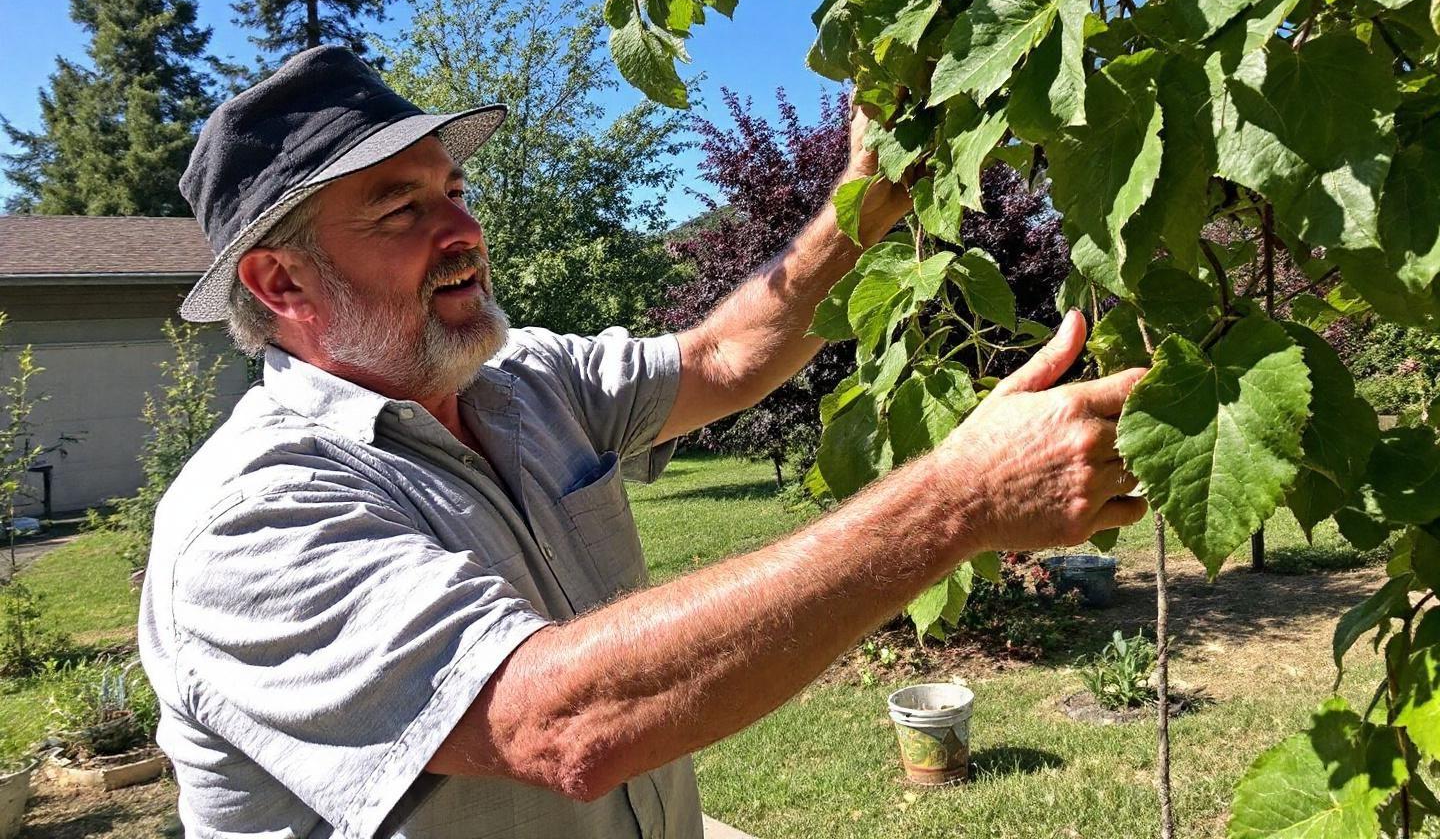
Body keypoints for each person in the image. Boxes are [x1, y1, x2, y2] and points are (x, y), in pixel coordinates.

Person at [138, 45, 1146, 839]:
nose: (463, 228)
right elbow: (556, 720)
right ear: (280, 285)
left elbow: (720, 358)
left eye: (454, 189)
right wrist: (953, 502)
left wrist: (864, 201)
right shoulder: (247, 519)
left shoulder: (519, 383)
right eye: (403, 208)